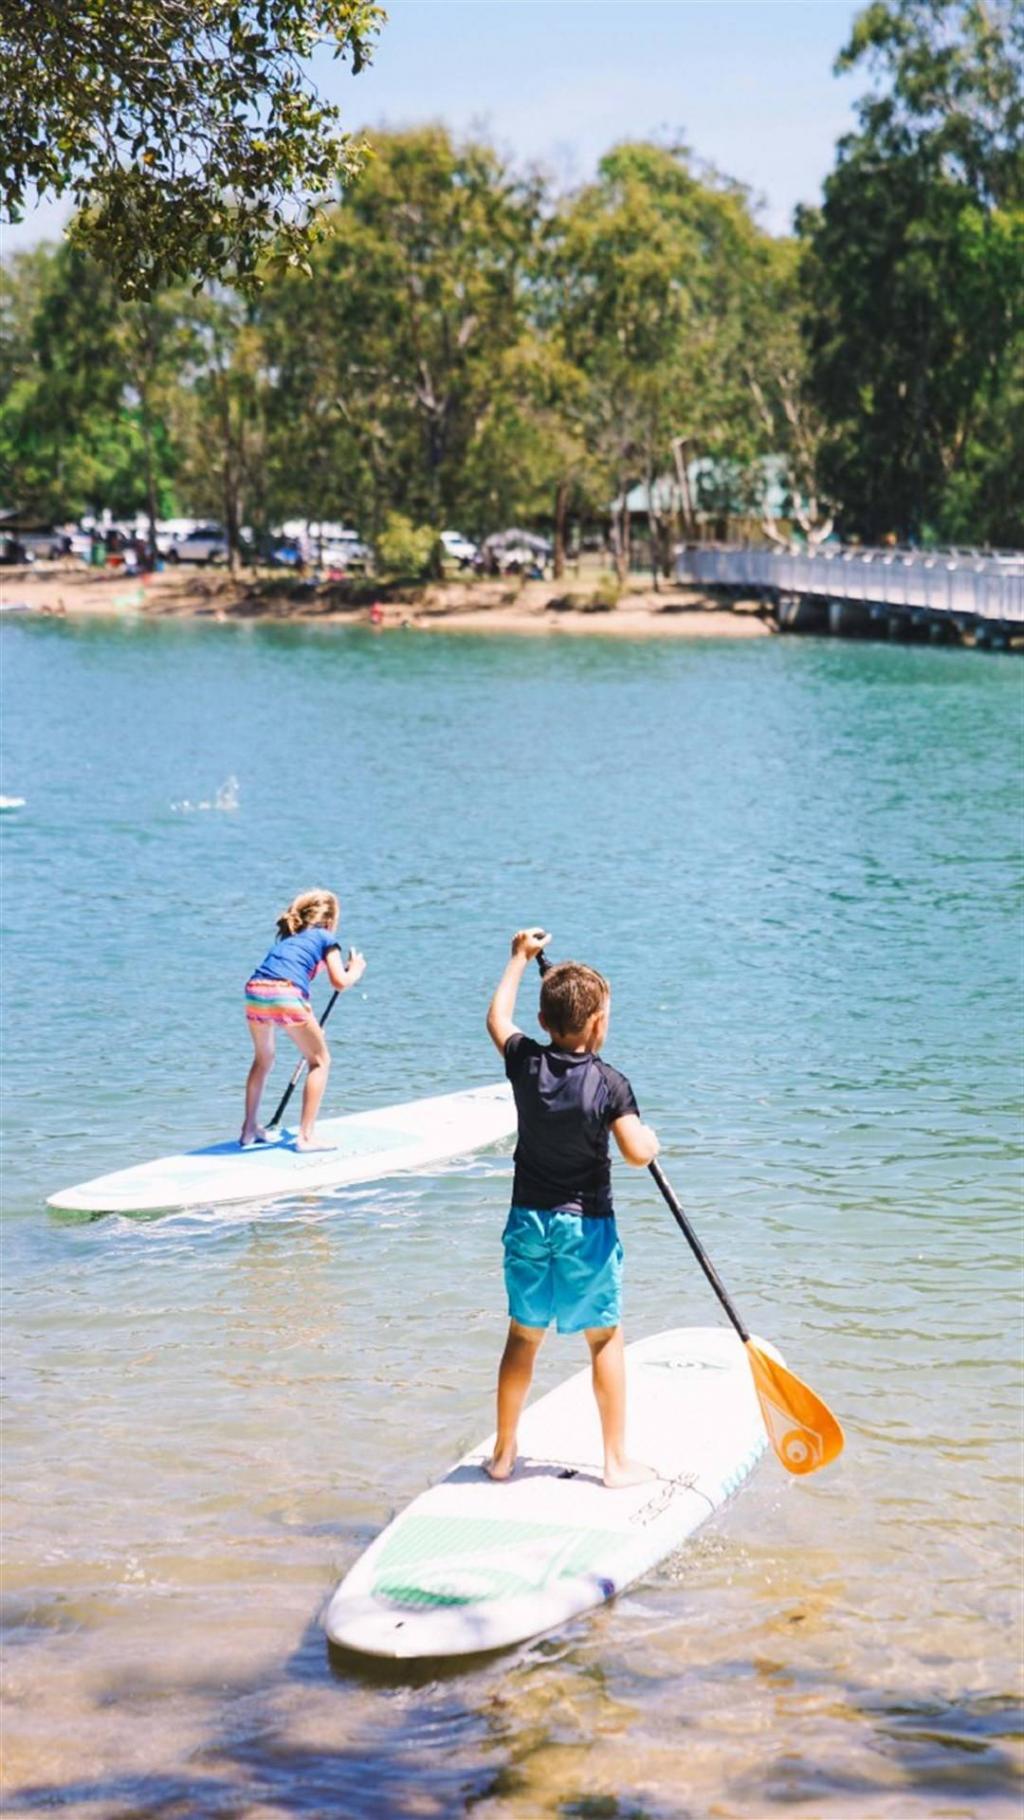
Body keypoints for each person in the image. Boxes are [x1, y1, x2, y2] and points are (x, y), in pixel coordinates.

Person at [484, 928, 660, 1488]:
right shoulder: (610, 1084)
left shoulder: (526, 1063)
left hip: (528, 1221)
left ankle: (505, 1453)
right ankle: (614, 1463)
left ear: (544, 1023)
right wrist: (651, 1139)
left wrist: (517, 958)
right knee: (604, 1335)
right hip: (586, 1227)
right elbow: (636, 1152)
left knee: (522, 1334)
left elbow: (496, 1019)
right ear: (600, 1024)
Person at [241, 889, 365, 1150]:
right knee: (320, 1061)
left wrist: (308, 1019)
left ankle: (249, 1128)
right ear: (330, 921)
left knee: (263, 1059)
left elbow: (287, 975)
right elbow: (339, 983)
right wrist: (354, 971)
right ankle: (306, 1137)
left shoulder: (289, 940)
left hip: (255, 990)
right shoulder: (326, 937)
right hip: (285, 993)